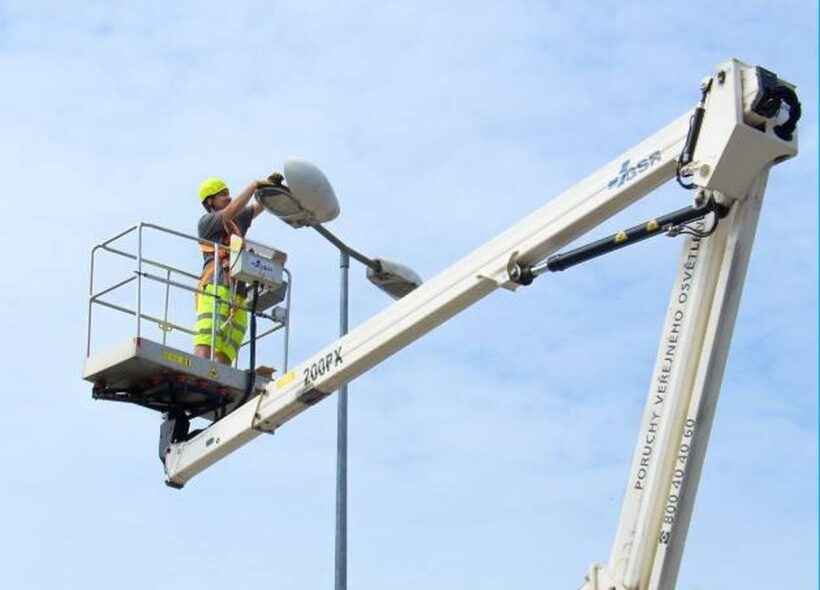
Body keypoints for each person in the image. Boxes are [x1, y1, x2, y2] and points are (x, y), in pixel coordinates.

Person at [193, 173, 282, 365]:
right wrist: (254, 184)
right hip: (216, 285)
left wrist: (273, 191)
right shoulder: (207, 222)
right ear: (210, 201)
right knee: (209, 332)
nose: (229, 197)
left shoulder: (235, 222)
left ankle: (218, 376)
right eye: (223, 194)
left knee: (231, 339)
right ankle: (199, 370)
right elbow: (232, 210)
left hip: (238, 292)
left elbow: (259, 207)